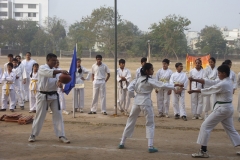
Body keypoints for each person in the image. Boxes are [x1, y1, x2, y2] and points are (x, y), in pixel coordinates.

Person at [118, 63, 182, 153]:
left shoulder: (137, 79)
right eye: (152, 69)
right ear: (147, 71)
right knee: (150, 123)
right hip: (146, 102)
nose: (153, 71)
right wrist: (174, 86)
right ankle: (150, 146)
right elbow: (162, 85)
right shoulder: (149, 80)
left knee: (130, 121)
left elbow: (130, 88)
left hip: (136, 101)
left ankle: (122, 142)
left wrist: (133, 96)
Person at [188, 65, 240, 158]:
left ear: (224, 73)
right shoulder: (226, 81)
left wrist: (194, 90)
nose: (218, 75)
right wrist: (196, 80)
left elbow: (210, 89)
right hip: (227, 108)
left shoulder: (223, 84)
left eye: (219, 73)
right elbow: (212, 82)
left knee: (205, 126)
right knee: (231, 129)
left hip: (222, 109)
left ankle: (203, 151)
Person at [28, 53, 70, 143]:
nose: (55, 62)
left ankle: (61, 135)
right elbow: (49, 73)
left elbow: (58, 82)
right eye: (53, 61)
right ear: (47, 60)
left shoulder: (57, 70)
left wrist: (60, 83)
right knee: (40, 116)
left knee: (58, 115)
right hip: (43, 95)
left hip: (54, 95)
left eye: (56, 60)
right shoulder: (42, 68)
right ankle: (33, 134)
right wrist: (61, 71)